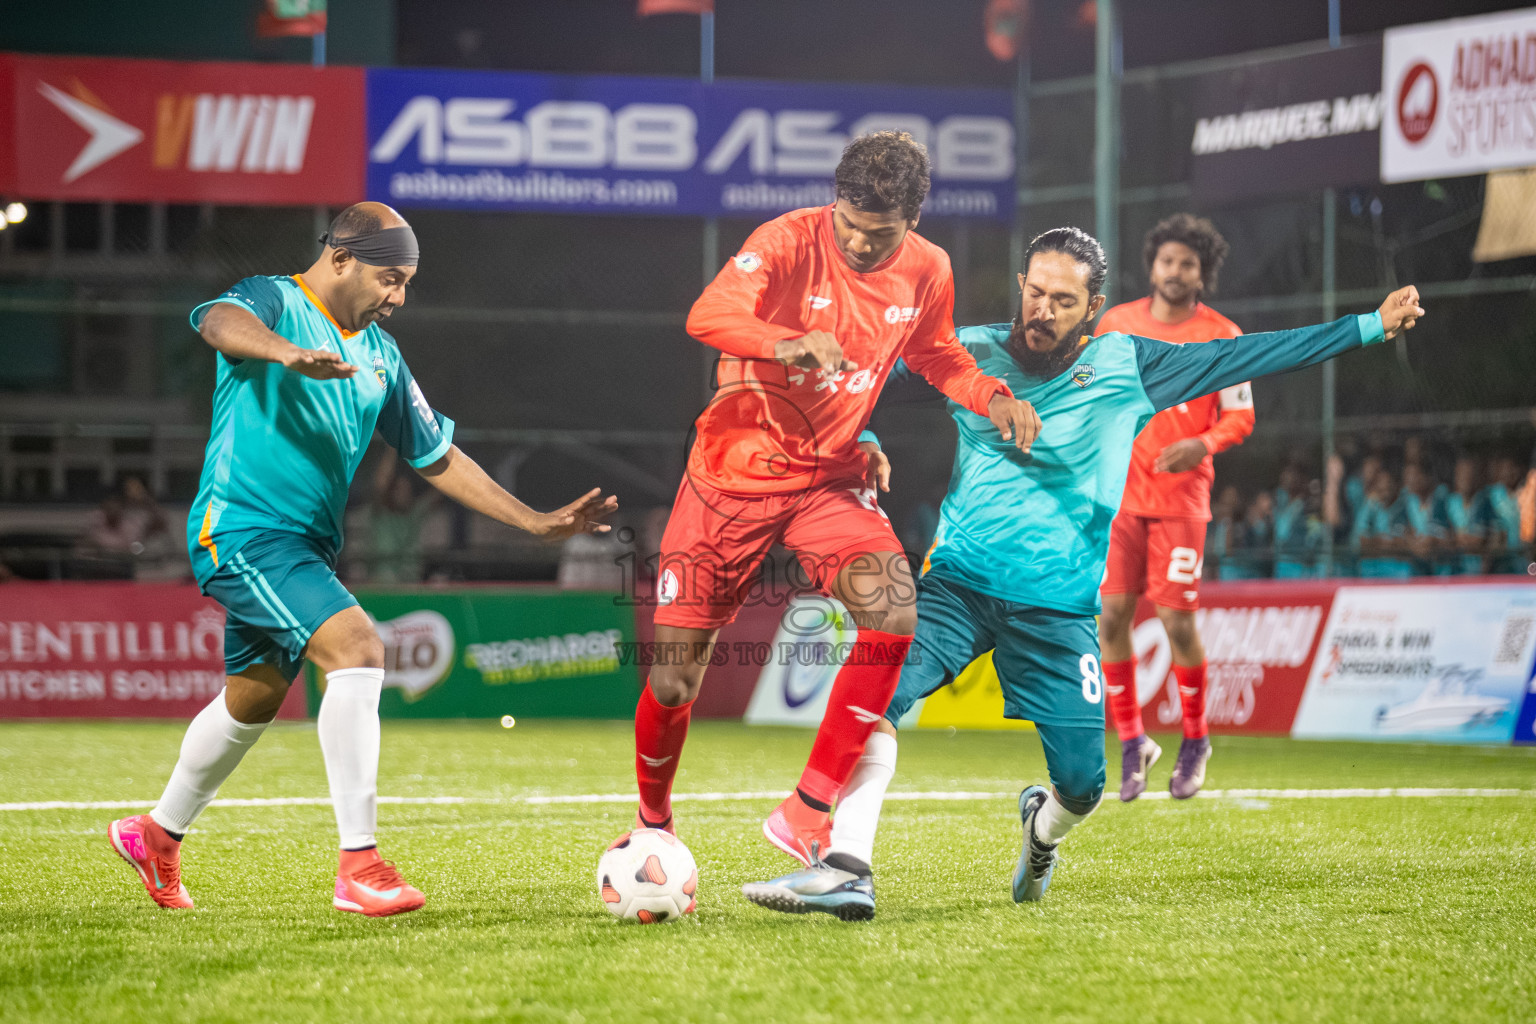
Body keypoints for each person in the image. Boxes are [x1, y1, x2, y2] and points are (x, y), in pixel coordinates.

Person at [742, 227, 1424, 917]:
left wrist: (1369, 326)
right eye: (1035, 292)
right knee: (875, 698)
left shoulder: (1128, 364)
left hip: (1058, 610)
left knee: (1082, 786)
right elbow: (861, 383)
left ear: (1093, 307)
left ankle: (1041, 833)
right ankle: (847, 866)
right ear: (1021, 285)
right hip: (957, 587)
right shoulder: (967, 353)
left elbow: (1244, 355)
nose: (1042, 311)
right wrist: (862, 438)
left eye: (1063, 301)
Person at [108, 202, 617, 917]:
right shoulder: (274, 300)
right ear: (342, 259)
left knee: (252, 700)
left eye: (406, 283)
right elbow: (216, 322)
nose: (398, 297)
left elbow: (437, 456)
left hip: (307, 547)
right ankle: (359, 865)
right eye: (390, 279)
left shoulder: (381, 355)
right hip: (243, 531)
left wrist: (534, 522)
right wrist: (284, 352)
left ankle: (156, 834)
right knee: (359, 648)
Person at [634, 131, 1039, 895]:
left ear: (912, 221)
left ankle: (808, 807)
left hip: (828, 476)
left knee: (894, 609)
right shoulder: (787, 239)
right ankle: (653, 820)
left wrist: (990, 395)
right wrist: (786, 343)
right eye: (848, 224)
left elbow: (936, 353)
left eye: (877, 233)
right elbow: (709, 314)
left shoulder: (929, 267)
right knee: (675, 679)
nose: (857, 242)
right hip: (731, 475)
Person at [1095, 214, 1253, 802]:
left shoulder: (1224, 334)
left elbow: (1241, 416)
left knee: (1175, 621)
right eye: (1168, 260)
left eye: (1188, 263)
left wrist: (1202, 444)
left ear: (1201, 275)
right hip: (1118, 499)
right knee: (1110, 617)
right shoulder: (1116, 325)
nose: (1176, 271)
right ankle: (1132, 742)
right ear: (1153, 266)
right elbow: (1093, 396)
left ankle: (1195, 739)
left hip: (1182, 503)